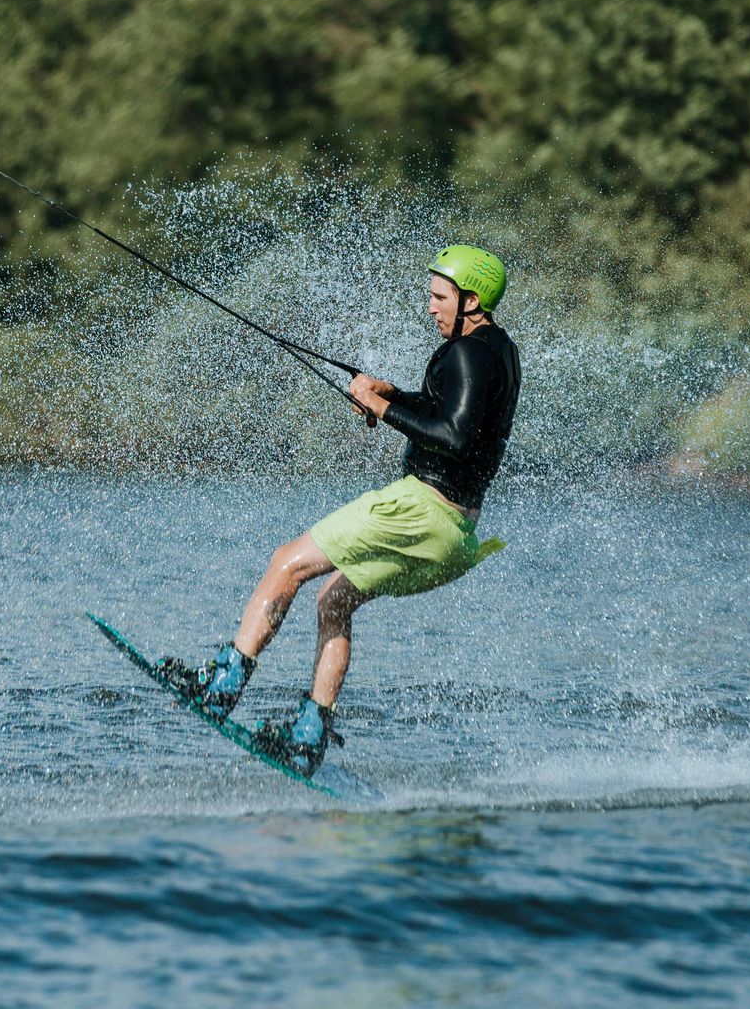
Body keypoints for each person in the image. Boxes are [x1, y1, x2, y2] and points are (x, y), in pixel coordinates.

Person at [158, 245, 523, 774]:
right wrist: (390, 391)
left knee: (287, 563)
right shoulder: (498, 351)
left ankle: (220, 687)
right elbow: (452, 413)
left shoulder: (466, 353)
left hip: (420, 509)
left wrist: (382, 406)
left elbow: (455, 436)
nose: (430, 307)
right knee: (334, 602)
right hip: (457, 534)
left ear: (471, 301)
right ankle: (308, 735)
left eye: (440, 297)